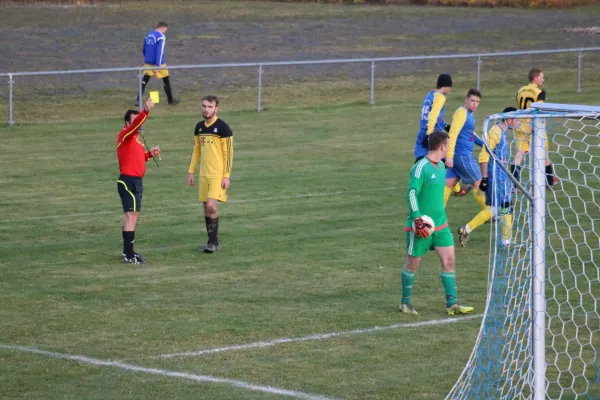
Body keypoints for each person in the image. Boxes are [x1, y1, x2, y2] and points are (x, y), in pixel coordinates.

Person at [400, 130, 474, 316]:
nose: (449, 149)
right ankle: (405, 303)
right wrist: (417, 219)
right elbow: (411, 193)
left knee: (449, 260)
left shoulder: (441, 167)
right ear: (442, 147)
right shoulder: (420, 167)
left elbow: (444, 185)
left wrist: (459, 189)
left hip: (440, 225)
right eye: (448, 146)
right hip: (421, 226)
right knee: (412, 264)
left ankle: (452, 304)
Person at [457, 107, 519, 248]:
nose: (517, 122)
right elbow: (484, 156)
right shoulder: (495, 132)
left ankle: (466, 229)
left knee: (495, 209)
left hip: (501, 176)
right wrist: (484, 178)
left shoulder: (502, 132)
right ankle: (506, 241)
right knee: (505, 207)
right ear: (508, 120)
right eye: (516, 120)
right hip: (497, 177)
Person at [116, 98, 161, 264]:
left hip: (136, 182)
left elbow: (136, 159)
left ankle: (128, 252)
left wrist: (150, 155)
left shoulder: (135, 140)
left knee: (133, 216)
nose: (138, 124)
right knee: (130, 217)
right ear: (128, 123)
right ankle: (129, 255)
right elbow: (135, 126)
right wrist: (146, 110)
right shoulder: (126, 134)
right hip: (128, 182)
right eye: (135, 122)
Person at [187, 95, 233, 253]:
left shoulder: (223, 128)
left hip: (217, 175)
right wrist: (191, 171)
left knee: (212, 206)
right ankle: (212, 242)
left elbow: (228, 154)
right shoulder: (199, 127)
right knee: (206, 207)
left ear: (216, 108)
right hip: (203, 174)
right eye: (204, 106)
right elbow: (196, 150)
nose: (206, 109)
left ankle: (212, 243)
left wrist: (226, 176)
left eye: (210, 107)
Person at [413, 73, 469, 197]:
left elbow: (437, 119)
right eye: (450, 87)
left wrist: (448, 127)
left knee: (420, 162)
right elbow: (433, 116)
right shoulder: (440, 97)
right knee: (445, 161)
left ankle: (456, 189)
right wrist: (429, 135)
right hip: (433, 134)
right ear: (447, 86)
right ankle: (443, 189)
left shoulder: (429, 95)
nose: (450, 90)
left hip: (423, 130)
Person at [513, 68, 557, 187]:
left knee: (519, 154)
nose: (543, 79)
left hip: (520, 125)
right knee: (544, 155)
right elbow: (539, 109)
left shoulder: (520, 90)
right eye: (542, 77)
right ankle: (549, 181)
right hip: (535, 126)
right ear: (535, 78)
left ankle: (514, 183)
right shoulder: (539, 92)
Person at [444, 88, 486, 209]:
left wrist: (484, 144)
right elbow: (452, 134)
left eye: (477, 101)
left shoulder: (468, 113)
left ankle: (437, 213)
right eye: (472, 100)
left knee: (449, 183)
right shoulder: (462, 113)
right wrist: (449, 156)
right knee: (478, 182)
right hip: (463, 156)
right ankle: (488, 213)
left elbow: (469, 134)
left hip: (458, 156)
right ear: (466, 100)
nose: (475, 104)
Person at [139, 22, 180, 106]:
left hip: (148, 63)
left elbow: (143, 49)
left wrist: (147, 58)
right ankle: (170, 100)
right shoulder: (161, 36)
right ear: (163, 28)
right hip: (159, 63)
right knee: (166, 80)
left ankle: (138, 100)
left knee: (144, 81)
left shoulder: (148, 35)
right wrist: (157, 66)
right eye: (165, 30)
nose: (165, 32)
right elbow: (159, 52)